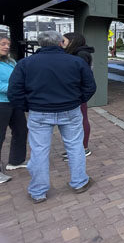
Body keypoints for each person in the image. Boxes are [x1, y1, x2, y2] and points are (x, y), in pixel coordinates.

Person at [8, 31, 96, 203]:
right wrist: (78, 100)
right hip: (70, 110)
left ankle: (38, 192)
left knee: (39, 151)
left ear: (40, 43)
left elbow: (14, 92)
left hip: (39, 112)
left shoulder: (25, 63)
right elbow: (90, 86)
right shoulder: (76, 62)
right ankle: (79, 183)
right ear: (59, 43)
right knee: (75, 147)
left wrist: (28, 106)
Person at [60, 32, 94, 159]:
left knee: (81, 119)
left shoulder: (81, 55)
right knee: (78, 119)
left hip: (77, 93)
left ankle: (83, 148)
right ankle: (78, 147)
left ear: (73, 41)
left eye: (64, 41)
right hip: (75, 92)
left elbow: (80, 75)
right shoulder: (77, 54)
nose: (61, 43)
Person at [0, 36, 28, 184]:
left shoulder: (10, 61)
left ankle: (16, 161)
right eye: (3, 44)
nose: (6, 47)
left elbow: (19, 77)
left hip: (14, 101)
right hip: (1, 103)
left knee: (21, 130)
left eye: (8, 44)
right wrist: (15, 88)